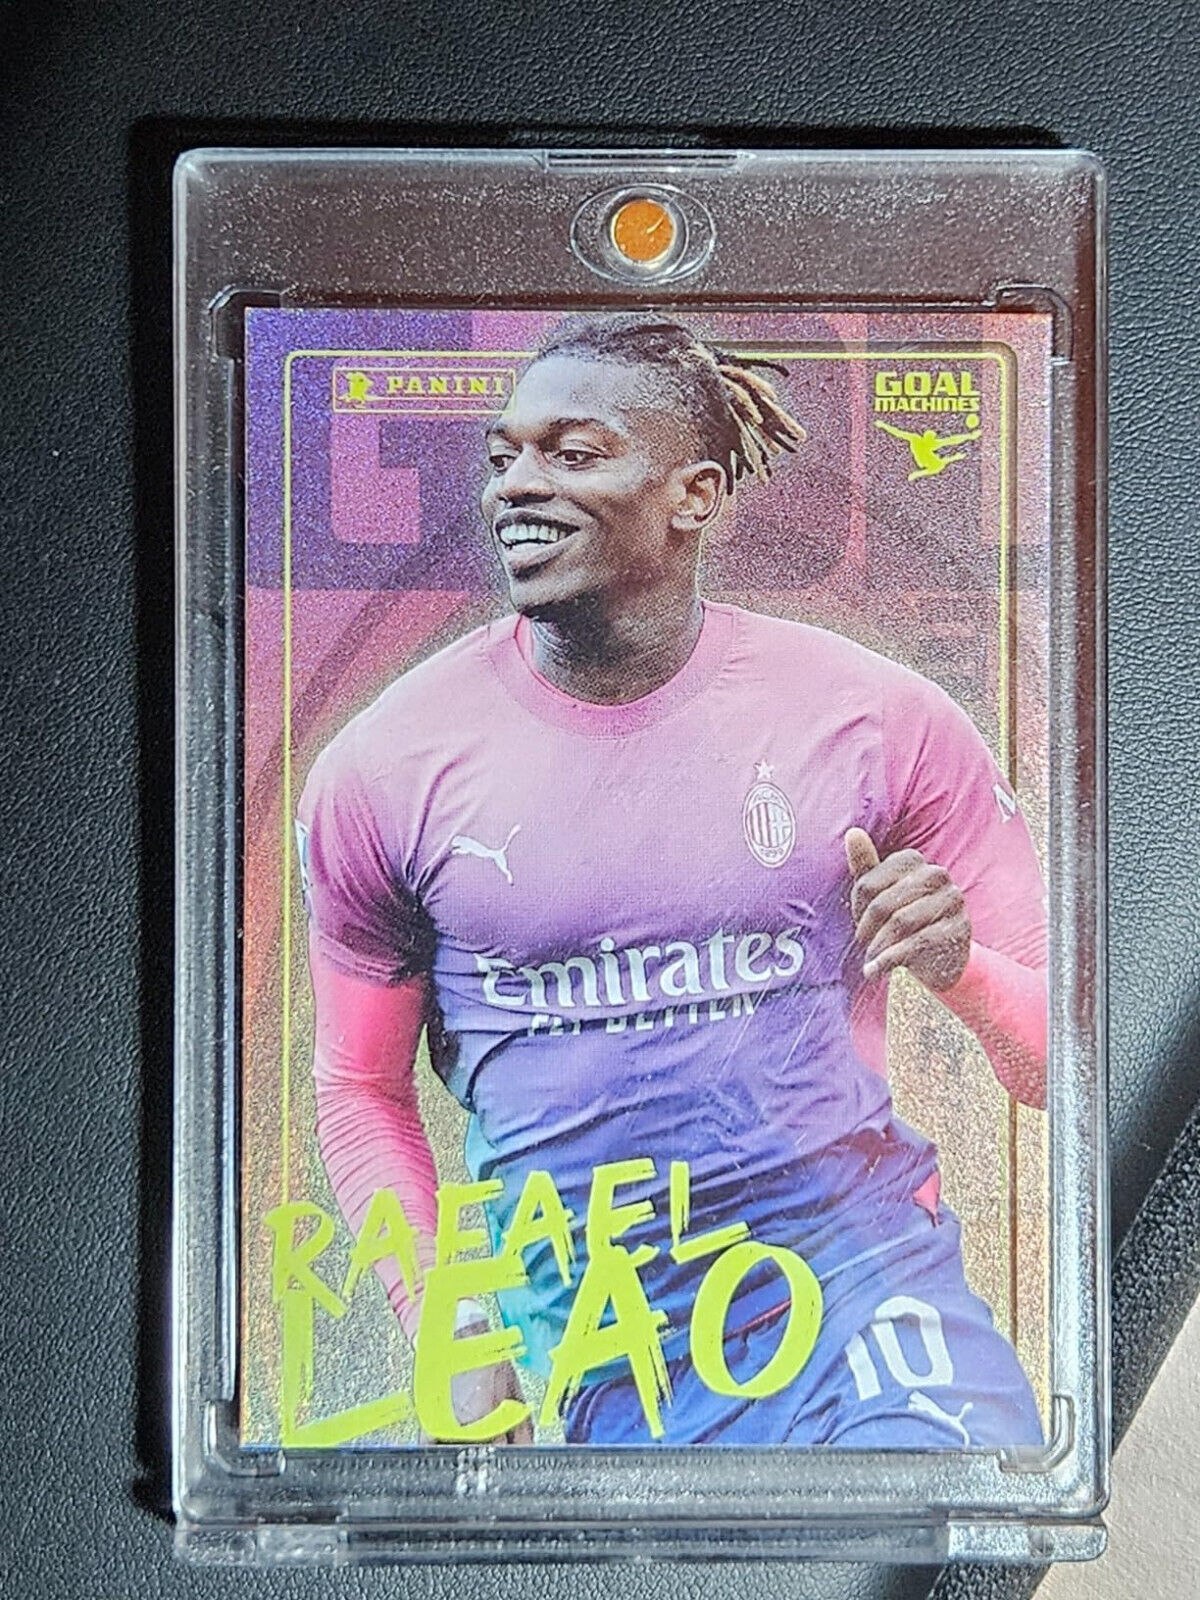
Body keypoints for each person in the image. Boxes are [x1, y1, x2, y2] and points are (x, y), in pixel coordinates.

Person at [296, 314, 1047, 1448]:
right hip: (613, 1354)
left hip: (864, 1289)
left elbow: (1056, 1068)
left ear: (694, 495)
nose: (516, 487)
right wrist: (453, 1328)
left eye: (573, 454)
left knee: (945, 1506)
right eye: (504, 456)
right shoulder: (383, 769)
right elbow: (360, 1086)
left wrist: (960, 967)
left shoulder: (879, 720)